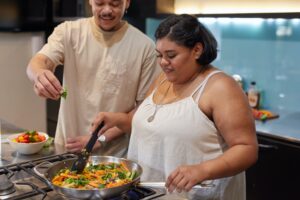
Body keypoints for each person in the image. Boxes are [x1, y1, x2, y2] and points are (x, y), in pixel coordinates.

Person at [90, 14, 258, 200]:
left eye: (171, 55)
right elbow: (143, 125)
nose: (163, 62)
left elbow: (246, 149)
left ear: (197, 50)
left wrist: (202, 170)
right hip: (149, 193)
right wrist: (116, 119)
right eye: (159, 55)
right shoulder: (163, 79)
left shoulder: (220, 87)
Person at [26, 0, 160, 157]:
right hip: (67, 149)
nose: (107, 10)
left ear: (127, 2)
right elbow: (41, 61)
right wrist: (39, 74)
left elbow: (143, 110)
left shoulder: (145, 47)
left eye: (115, 4)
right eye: (100, 3)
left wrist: (100, 138)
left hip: (114, 157)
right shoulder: (69, 31)